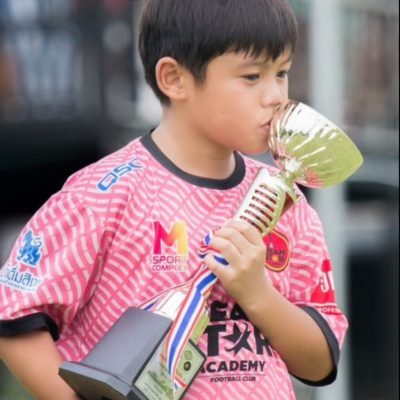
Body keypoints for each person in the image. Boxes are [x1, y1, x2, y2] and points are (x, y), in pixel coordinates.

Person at [0, 0, 348, 399]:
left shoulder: (286, 203)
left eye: (281, 73)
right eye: (252, 76)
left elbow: (320, 362)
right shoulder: (103, 194)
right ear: (174, 79)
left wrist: (258, 295)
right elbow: (14, 315)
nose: (275, 96)